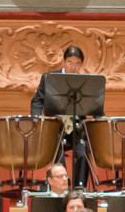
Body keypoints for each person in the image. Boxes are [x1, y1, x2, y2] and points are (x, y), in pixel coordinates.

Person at [32, 45, 100, 188]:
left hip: (77, 128)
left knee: (83, 154)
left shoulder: (86, 81)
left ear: (81, 64)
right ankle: (62, 187)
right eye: (70, 62)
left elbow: (94, 105)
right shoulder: (49, 78)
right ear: (63, 62)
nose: (73, 67)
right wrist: (37, 118)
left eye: (77, 63)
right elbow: (37, 100)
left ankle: (79, 188)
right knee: (59, 158)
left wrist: (100, 120)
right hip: (56, 128)